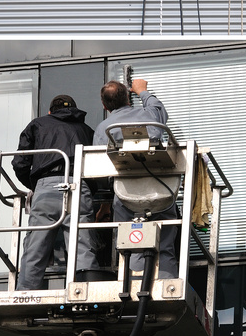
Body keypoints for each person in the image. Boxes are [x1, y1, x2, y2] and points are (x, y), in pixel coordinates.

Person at [93, 78, 179, 278]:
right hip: (162, 192)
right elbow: (157, 107)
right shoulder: (150, 115)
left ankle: (134, 286)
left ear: (104, 106)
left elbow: (101, 169)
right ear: (128, 100)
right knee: (165, 245)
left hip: (126, 196)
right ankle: (166, 284)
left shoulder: (103, 128)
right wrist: (142, 91)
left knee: (130, 243)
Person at [12, 94, 100, 289]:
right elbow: (99, 167)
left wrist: (36, 185)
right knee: (82, 243)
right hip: (78, 185)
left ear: (50, 111)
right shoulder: (87, 131)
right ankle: (84, 289)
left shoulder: (38, 124)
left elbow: (19, 163)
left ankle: (25, 292)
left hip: (46, 186)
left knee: (36, 245)